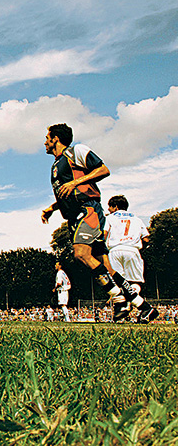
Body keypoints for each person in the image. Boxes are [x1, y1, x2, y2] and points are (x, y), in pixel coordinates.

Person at [41, 123, 157, 323]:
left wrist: (76, 182)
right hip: (74, 216)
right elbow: (68, 193)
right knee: (108, 267)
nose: (45, 141)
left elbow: (103, 169)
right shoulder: (56, 165)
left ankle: (119, 299)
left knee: (81, 253)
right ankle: (144, 306)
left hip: (88, 211)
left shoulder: (76, 151)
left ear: (56, 139)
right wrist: (53, 208)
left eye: (47, 137)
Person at [104, 195, 149, 321]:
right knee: (135, 282)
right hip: (132, 250)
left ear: (115, 206)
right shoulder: (137, 219)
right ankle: (129, 304)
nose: (108, 209)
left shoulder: (109, 218)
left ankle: (122, 307)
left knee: (117, 282)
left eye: (110, 207)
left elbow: (104, 234)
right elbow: (146, 238)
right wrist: (138, 247)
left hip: (115, 250)